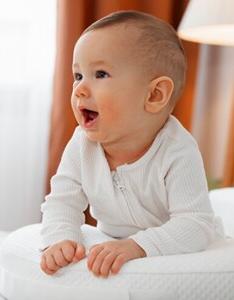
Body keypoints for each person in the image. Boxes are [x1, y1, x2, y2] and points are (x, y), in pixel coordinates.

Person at [40, 10, 216, 279]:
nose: (79, 90)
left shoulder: (177, 149)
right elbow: (62, 202)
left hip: (172, 254)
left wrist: (138, 246)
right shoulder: (81, 145)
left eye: (100, 74)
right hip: (113, 242)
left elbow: (195, 224)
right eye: (78, 76)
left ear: (155, 95)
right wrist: (60, 238)